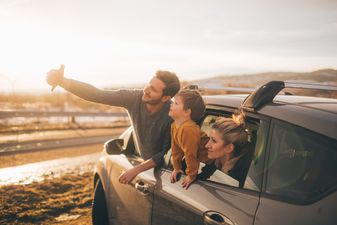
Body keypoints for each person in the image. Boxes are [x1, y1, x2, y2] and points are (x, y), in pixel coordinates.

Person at [46, 65, 180, 184]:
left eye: (153, 89)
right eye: (148, 85)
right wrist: (63, 82)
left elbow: (165, 153)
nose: (146, 90)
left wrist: (135, 170)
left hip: (167, 174)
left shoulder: (173, 114)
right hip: (148, 173)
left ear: (165, 98)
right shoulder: (134, 98)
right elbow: (97, 94)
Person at [168, 89, 211, 189]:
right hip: (204, 162)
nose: (171, 104)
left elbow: (190, 154)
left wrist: (191, 175)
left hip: (212, 161)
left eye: (176, 103)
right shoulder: (174, 125)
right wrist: (177, 167)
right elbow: (176, 149)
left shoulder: (188, 129)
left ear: (186, 112)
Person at [201, 112, 251, 187]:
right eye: (209, 139)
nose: (207, 145)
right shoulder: (216, 162)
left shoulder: (240, 178)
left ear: (229, 148)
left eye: (214, 141)